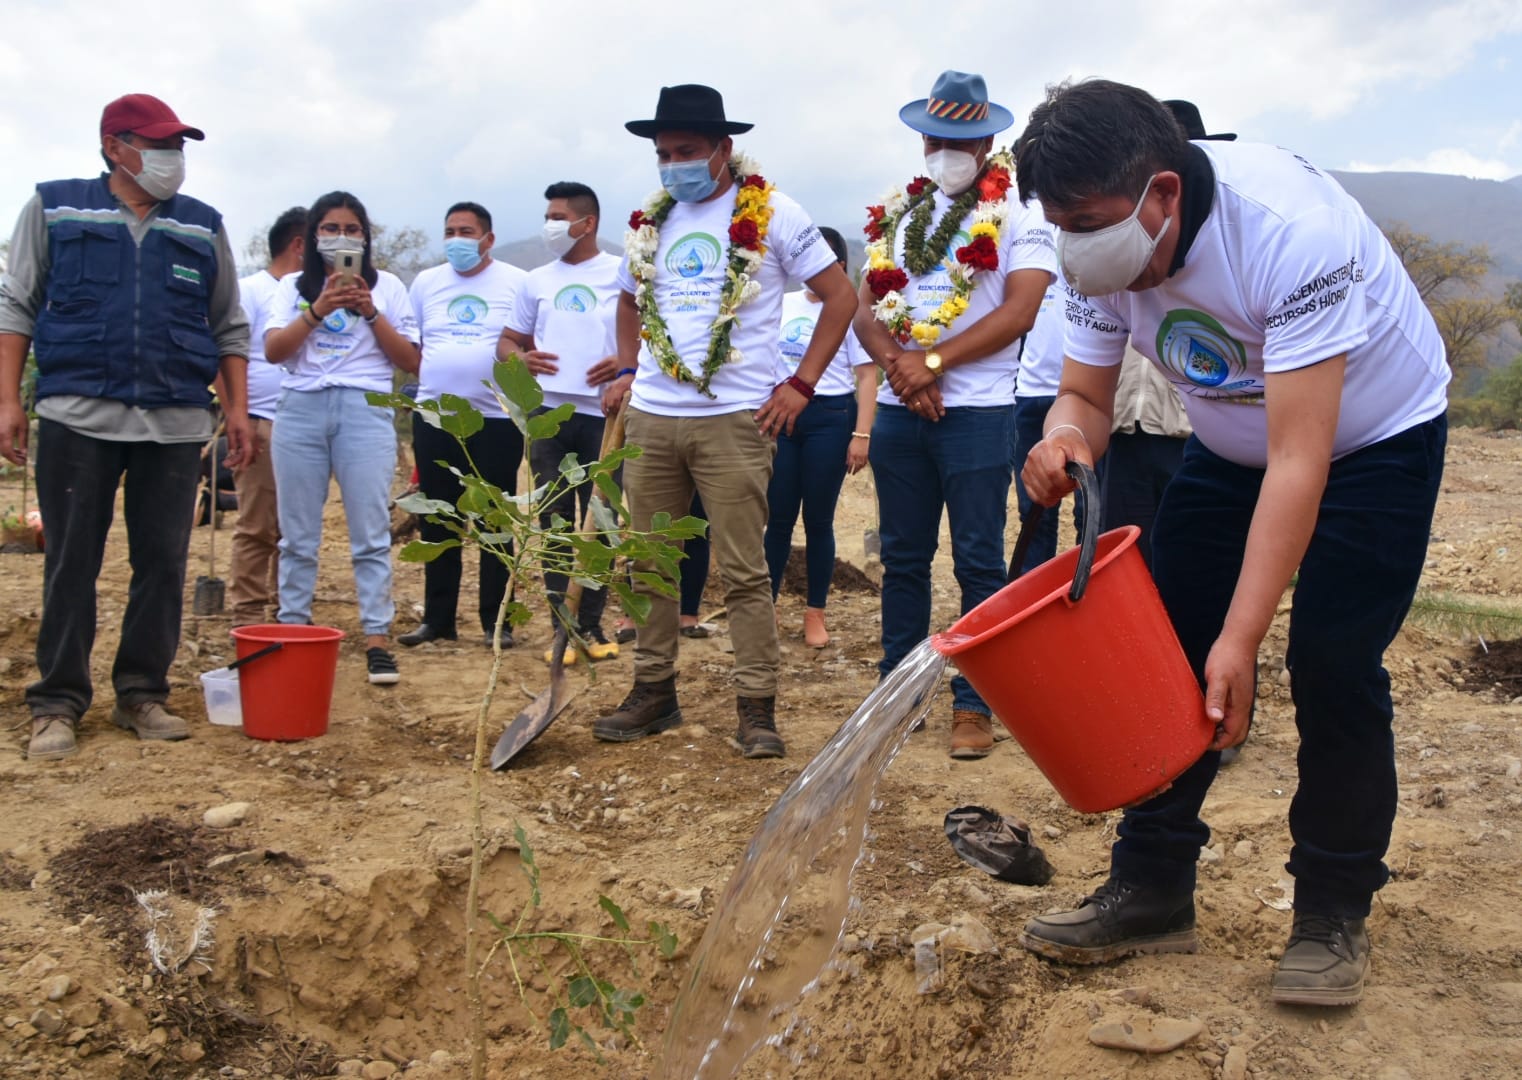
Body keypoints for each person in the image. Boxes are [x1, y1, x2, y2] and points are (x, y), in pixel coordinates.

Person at [1013, 79, 1450, 1007]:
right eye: (1059, 226)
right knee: (1168, 651)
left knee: (1332, 661)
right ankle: (1153, 885)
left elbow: (1300, 460)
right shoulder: (1098, 254)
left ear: (1163, 194)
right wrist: (1064, 440)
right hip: (1231, 441)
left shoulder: (1289, 233)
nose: (1074, 246)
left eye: (1087, 223)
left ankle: (1331, 909)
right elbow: (1084, 396)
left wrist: (1242, 637)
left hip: (1373, 440)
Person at [595, 84, 856, 759]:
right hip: (653, 419)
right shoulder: (651, 222)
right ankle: (654, 692)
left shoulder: (774, 213)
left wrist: (801, 384)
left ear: (723, 149)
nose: (672, 165)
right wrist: (626, 368)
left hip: (736, 420)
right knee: (650, 563)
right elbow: (625, 301)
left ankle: (756, 707)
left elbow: (840, 296)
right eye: (663, 154)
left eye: (686, 151)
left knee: (744, 569)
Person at [0, 93, 251, 760]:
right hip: (76, 418)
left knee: (162, 564)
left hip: (174, 423)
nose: (174, 157)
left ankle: (142, 693)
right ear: (115, 146)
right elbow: (16, 305)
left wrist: (235, 410)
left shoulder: (201, 225)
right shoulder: (55, 208)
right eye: (159, 144)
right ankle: (57, 702)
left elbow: (228, 325)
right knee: (70, 563)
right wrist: (8, 401)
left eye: (179, 146)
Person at [853, 70, 1056, 760]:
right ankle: (898, 695)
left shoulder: (1021, 215)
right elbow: (864, 309)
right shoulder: (898, 217)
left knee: (978, 560)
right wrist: (902, 370)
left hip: (978, 413)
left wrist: (933, 362)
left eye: (961, 142)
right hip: (898, 414)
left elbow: (1020, 311)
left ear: (988, 142)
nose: (947, 152)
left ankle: (975, 704)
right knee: (903, 558)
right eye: (935, 140)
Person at [263, 191, 420, 685]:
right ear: (312, 236)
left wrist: (371, 313)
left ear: (366, 237)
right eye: (330, 229)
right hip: (300, 409)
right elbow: (274, 351)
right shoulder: (291, 286)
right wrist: (317, 309)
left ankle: (376, 638)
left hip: (364, 410)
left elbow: (410, 360)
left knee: (370, 533)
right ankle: (293, 629)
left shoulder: (389, 286)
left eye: (352, 229)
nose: (341, 238)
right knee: (297, 535)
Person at [396, 202, 527, 650]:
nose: (456, 240)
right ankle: (438, 620)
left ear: (488, 239)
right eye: (450, 231)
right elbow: (415, 344)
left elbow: (525, 341)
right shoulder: (426, 282)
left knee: (494, 521)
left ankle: (497, 622)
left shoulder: (516, 282)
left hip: (496, 419)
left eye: (466, 232)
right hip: (435, 418)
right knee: (438, 519)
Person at [500, 182, 621, 662]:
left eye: (558, 218)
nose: (549, 226)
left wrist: (625, 364)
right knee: (555, 520)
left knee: (601, 521)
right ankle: (560, 630)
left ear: (587, 223)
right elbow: (507, 342)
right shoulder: (536, 281)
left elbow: (648, 335)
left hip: (604, 416)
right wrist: (521, 358)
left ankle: (591, 626)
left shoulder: (622, 273)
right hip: (547, 415)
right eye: (547, 217)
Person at [763, 226, 875, 648]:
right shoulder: (784, 303)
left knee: (818, 520)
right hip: (782, 418)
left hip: (830, 417)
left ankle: (815, 613)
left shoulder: (846, 308)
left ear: (840, 266)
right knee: (777, 518)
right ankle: (766, 608)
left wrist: (861, 435)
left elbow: (867, 377)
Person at [228, 206, 306, 626]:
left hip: (303, 424)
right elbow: (227, 356)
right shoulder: (251, 291)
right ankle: (247, 612)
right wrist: (236, 415)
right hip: (261, 420)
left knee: (295, 526)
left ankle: (287, 609)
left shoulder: (308, 294)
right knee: (257, 523)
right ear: (299, 245)